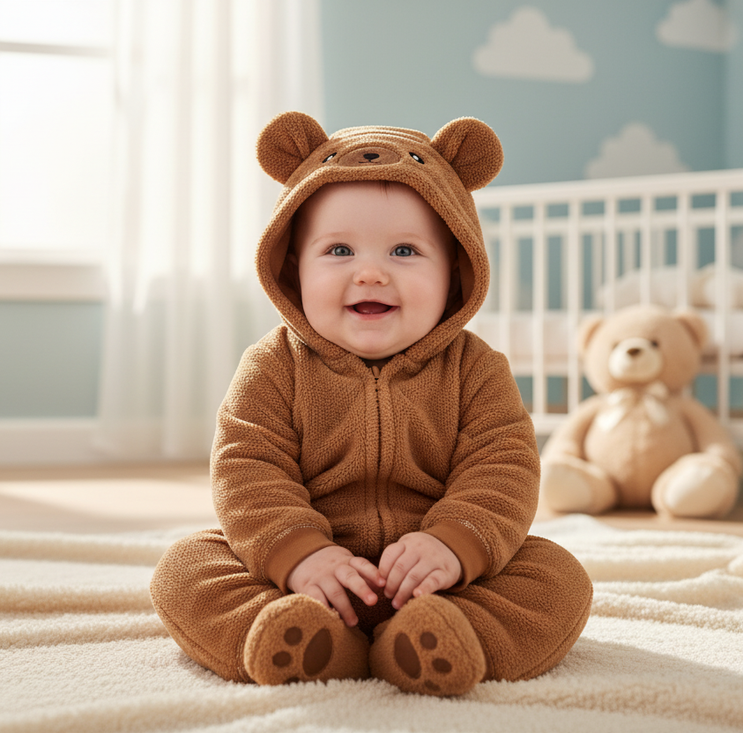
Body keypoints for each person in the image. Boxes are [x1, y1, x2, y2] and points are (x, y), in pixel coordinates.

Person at [150, 112, 593, 696]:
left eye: (405, 250)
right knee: (186, 569)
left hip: (439, 583)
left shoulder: (477, 370)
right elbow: (248, 472)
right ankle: (310, 640)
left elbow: (503, 471)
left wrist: (453, 545)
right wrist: (301, 556)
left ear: (456, 274)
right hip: (305, 581)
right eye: (338, 250)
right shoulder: (272, 366)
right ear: (293, 268)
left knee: (558, 578)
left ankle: (442, 637)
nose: (371, 273)